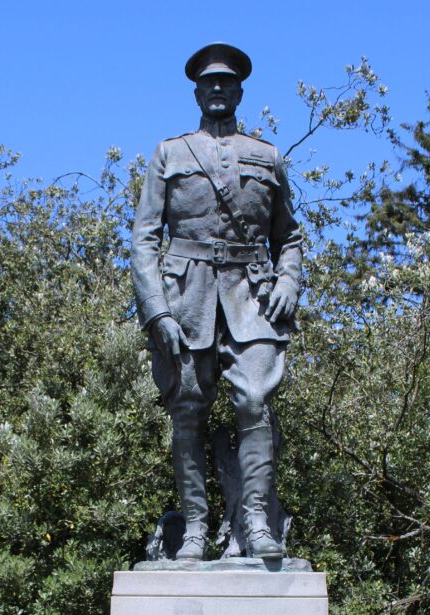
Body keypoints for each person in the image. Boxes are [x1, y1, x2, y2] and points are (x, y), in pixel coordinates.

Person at [131, 42, 302, 560]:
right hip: (187, 297)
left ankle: (255, 522)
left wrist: (289, 281)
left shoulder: (267, 155)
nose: (218, 89)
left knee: (254, 399)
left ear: (239, 90)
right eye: (210, 82)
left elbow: (289, 236)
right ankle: (197, 528)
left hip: (251, 295)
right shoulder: (171, 153)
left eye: (227, 81)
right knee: (188, 411)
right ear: (198, 91)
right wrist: (156, 308)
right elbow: (143, 238)